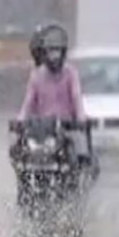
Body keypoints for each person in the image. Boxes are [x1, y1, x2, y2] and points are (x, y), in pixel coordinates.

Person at [16, 23, 92, 166]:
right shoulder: (36, 76)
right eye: (51, 52)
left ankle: (78, 181)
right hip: (42, 131)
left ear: (63, 53)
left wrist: (80, 119)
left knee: (81, 155)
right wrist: (20, 121)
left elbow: (76, 98)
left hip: (68, 128)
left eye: (57, 52)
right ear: (45, 54)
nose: (54, 58)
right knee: (21, 153)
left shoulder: (71, 74)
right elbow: (28, 102)